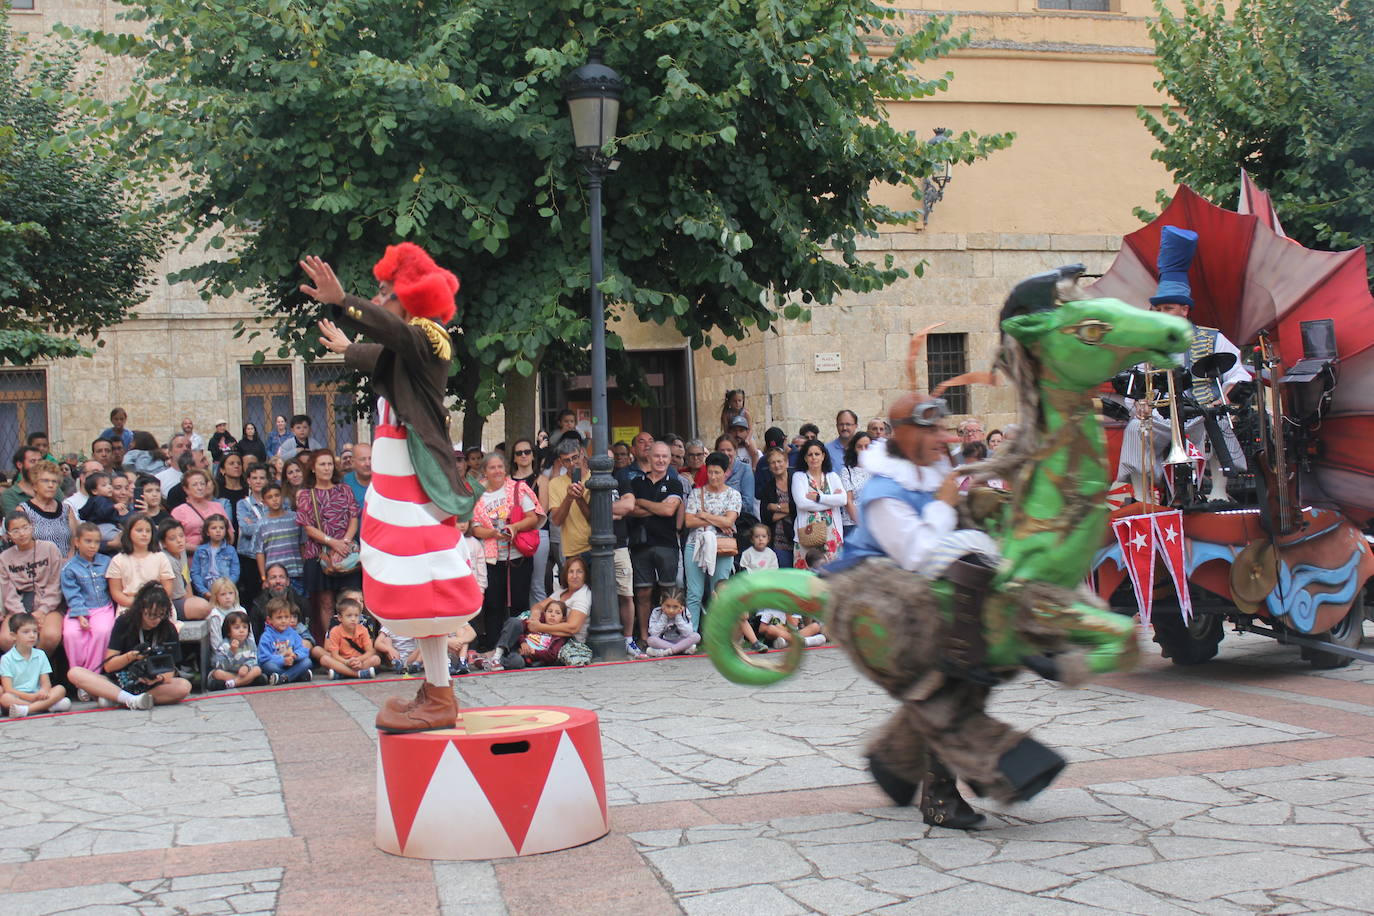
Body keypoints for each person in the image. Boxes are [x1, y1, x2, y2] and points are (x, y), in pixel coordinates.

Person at [302, 244, 481, 732]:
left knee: (427, 583)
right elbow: (382, 351)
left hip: (418, 482)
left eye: (385, 292)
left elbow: (397, 337)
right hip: (400, 476)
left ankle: (441, 694)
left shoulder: (432, 336)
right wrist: (346, 349)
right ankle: (436, 688)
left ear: (412, 296)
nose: (379, 300)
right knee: (413, 586)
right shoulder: (405, 348)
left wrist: (345, 301)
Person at [822, 390, 1008, 829]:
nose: (945, 439)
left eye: (945, 429)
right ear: (905, 437)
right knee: (950, 683)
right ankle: (956, 789)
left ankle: (895, 762)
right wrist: (946, 502)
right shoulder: (884, 493)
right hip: (884, 600)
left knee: (972, 671)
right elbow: (919, 554)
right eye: (934, 431)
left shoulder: (933, 473)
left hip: (933, 592)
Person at [1114, 226, 1250, 503]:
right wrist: (1136, 405)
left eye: (1168, 309)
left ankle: (1219, 493)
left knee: (1220, 423)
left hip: (1203, 412)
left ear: (1184, 310)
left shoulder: (1213, 338)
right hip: (1162, 417)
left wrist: (1231, 391)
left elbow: (1239, 372)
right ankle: (1143, 497)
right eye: (1159, 309)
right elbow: (1134, 385)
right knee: (1134, 430)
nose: (1162, 314)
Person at [68, 581, 192, 709]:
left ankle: (119, 698)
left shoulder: (168, 628)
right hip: (119, 680)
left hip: (152, 685)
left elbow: (170, 671)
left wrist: (158, 678)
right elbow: (109, 666)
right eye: (150, 615)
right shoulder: (124, 622)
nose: (155, 620)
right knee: (75, 673)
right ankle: (129, 699)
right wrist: (131, 656)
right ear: (141, 609)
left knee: (184, 686)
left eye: (160, 615)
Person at [469, 453, 544, 651]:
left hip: (518, 555)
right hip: (492, 558)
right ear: (485, 471)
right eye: (492, 468)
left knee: (519, 603)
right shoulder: (478, 495)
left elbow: (533, 517)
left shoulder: (517, 488)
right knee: (493, 604)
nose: (497, 471)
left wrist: (514, 528)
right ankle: (495, 648)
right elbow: (475, 528)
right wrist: (493, 533)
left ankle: (519, 646)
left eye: (500, 467)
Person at [294, 448, 360, 642]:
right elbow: (308, 527)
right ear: (313, 468)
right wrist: (333, 543)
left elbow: (353, 517)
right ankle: (331, 644)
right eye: (322, 464)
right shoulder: (307, 494)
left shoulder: (344, 489)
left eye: (330, 463)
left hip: (346, 553)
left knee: (351, 599)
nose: (327, 468)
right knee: (326, 602)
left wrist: (344, 543)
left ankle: (354, 643)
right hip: (319, 554)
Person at [629, 441, 683, 652]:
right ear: (648, 458)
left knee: (668, 592)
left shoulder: (674, 483)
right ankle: (644, 636)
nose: (661, 460)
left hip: (667, 544)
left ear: (670, 459)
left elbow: (669, 511)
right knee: (643, 592)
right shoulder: (636, 483)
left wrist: (642, 503)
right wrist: (657, 507)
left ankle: (668, 636)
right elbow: (630, 509)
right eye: (657, 456)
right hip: (640, 545)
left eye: (665, 457)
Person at [684, 452, 741, 630]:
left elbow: (729, 521)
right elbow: (689, 521)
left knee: (720, 592)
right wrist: (718, 520)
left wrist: (705, 515)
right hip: (696, 545)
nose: (713, 476)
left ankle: (720, 633)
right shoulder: (696, 493)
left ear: (726, 473)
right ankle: (691, 634)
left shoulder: (733, 495)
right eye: (710, 472)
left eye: (717, 472)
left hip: (723, 547)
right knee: (694, 592)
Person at [0, 511, 64, 654]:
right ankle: (23, 670)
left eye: (25, 527)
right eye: (15, 531)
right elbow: (8, 592)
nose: (22, 533)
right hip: (19, 607)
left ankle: (38, 666)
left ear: (32, 526)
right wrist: (22, 616)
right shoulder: (4, 558)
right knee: (6, 639)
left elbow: (55, 584)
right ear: (8, 535)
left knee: (50, 635)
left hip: (48, 606)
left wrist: (42, 611)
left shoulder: (49, 548)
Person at [60, 523, 116, 686]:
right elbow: (72, 593)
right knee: (72, 634)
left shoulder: (106, 562)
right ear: (77, 542)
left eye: (96, 542)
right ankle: (79, 677)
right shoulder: (69, 568)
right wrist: (80, 614)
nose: (93, 546)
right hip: (78, 609)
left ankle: (92, 676)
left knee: (102, 631)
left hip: (102, 608)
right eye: (88, 541)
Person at [1, 612, 71, 716]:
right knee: (5, 698)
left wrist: (44, 691)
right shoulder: (6, 659)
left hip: (38, 695)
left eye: (35, 631)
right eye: (26, 632)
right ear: (13, 635)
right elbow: (8, 688)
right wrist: (30, 697)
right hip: (18, 696)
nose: (32, 635)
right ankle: (45, 706)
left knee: (60, 689)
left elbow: (46, 682)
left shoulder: (40, 655)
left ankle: (27, 709)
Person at [508, 438, 550, 607]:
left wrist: (521, 525)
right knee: (515, 586)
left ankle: (540, 627)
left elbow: (543, 511)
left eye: (527, 452)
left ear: (533, 455)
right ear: (514, 458)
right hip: (511, 535)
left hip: (536, 533)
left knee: (536, 584)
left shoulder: (541, 480)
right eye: (519, 453)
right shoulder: (507, 480)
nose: (523, 455)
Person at [792, 439, 847, 568]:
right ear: (805, 458)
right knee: (806, 575)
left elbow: (843, 500)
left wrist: (818, 498)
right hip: (808, 534)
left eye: (817, 454)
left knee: (833, 575)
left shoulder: (832, 477)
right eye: (810, 455)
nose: (814, 458)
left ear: (823, 456)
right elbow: (802, 503)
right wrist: (831, 501)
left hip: (832, 535)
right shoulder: (799, 477)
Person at [105, 515, 174, 612]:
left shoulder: (161, 557)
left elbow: (168, 588)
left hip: (157, 605)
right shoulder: (118, 560)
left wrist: (153, 603)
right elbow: (116, 591)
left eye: (148, 531)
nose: (144, 534)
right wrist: (136, 603)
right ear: (129, 533)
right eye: (139, 530)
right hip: (129, 606)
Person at [255, 484, 304, 598]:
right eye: (270, 497)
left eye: (277, 495)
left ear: (282, 497)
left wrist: (304, 567)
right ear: (264, 501)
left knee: (298, 606)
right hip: (274, 576)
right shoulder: (261, 524)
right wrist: (264, 577)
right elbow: (259, 552)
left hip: (296, 572)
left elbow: (303, 544)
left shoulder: (296, 518)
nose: (274, 499)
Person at [158, 519, 212, 621]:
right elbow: (178, 594)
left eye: (181, 536)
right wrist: (191, 603)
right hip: (169, 601)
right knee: (203, 607)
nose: (179, 540)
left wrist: (191, 599)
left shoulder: (181, 551)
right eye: (173, 538)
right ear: (163, 543)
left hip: (181, 597)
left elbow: (186, 579)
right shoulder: (167, 559)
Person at [21, 460, 73, 557]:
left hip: (66, 567)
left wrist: (67, 564)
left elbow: (74, 543)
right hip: (37, 567)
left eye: (54, 481)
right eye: (45, 481)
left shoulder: (66, 509)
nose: (51, 485)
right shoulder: (24, 510)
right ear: (34, 485)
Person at [172, 468, 234, 550]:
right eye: (195, 485)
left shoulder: (217, 506)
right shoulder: (178, 511)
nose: (200, 488)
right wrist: (202, 549)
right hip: (193, 559)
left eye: (202, 484)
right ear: (186, 489)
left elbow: (230, 534)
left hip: (219, 557)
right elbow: (175, 541)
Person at [256, 596, 313, 684]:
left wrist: (295, 655)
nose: (283, 621)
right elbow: (263, 658)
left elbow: (303, 650)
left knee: (307, 662)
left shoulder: (293, 633)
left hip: (291, 663)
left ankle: (283, 678)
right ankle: (295, 676)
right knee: (268, 666)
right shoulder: (266, 636)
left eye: (286, 617)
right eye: (279, 618)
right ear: (269, 620)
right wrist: (282, 660)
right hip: (277, 665)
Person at [235, 464, 270, 607]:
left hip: (272, 554)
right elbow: (247, 530)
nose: (258, 481)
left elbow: (279, 526)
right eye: (254, 478)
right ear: (248, 480)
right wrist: (268, 522)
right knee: (253, 598)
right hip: (250, 556)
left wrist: (256, 523)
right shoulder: (243, 504)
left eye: (262, 478)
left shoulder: (277, 501)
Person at [322, 595, 381, 679]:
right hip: (342, 661)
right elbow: (334, 655)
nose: (353, 619)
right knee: (324, 659)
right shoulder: (335, 631)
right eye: (349, 616)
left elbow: (369, 652)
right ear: (340, 618)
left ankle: (342, 674)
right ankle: (358, 674)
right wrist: (346, 662)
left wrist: (359, 660)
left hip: (360, 661)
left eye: (356, 616)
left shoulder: (363, 630)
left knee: (376, 659)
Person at [757, 446, 796, 569]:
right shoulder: (768, 488)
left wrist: (776, 507)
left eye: (779, 461)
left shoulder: (796, 479)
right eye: (773, 463)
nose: (776, 465)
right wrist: (790, 509)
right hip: (780, 540)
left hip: (801, 536)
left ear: (786, 462)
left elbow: (801, 506)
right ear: (769, 466)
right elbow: (766, 517)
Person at [250, 563, 309, 641]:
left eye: (281, 577)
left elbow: (307, 631)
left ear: (288, 581)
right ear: (266, 583)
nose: (278, 581)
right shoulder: (258, 606)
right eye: (273, 578)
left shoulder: (301, 603)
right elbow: (256, 637)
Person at [209, 610, 261, 691]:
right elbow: (219, 665)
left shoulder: (250, 644)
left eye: (245, 627)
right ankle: (243, 682)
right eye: (237, 627)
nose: (242, 630)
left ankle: (233, 683)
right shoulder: (224, 645)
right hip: (229, 672)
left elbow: (254, 659)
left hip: (244, 672)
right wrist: (231, 652)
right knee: (217, 673)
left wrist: (246, 666)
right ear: (229, 631)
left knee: (257, 670)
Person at [191, 515, 240, 597]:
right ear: (207, 532)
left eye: (221, 528)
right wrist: (203, 591)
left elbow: (235, 573)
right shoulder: (200, 550)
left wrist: (226, 588)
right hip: (206, 590)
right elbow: (195, 573)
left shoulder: (230, 550)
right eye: (214, 528)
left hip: (225, 591)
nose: (218, 531)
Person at [644, 587, 700, 658]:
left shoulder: (684, 612)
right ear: (662, 604)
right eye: (668, 606)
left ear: (681, 607)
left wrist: (678, 616)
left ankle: (668, 651)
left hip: (681, 641)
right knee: (651, 640)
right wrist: (664, 616)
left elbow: (688, 633)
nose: (671, 610)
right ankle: (680, 650)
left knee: (696, 636)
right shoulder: (657, 612)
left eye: (675, 607)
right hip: (663, 642)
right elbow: (654, 633)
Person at [838, 432, 874, 537]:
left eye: (867, 447)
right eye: (859, 447)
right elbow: (848, 501)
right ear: (854, 449)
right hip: (852, 524)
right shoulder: (847, 471)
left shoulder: (877, 471)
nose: (863, 450)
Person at [825, 409, 859, 475]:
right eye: (841, 424)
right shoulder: (826, 450)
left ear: (856, 426)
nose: (844, 428)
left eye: (848, 424)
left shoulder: (862, 448)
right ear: (837, 426)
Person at [341, 441, 372, 510]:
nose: (368, 463)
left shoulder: (382, 481)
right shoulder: (344, 483)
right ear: (352, 462)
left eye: (370, 458)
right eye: (362, 459)